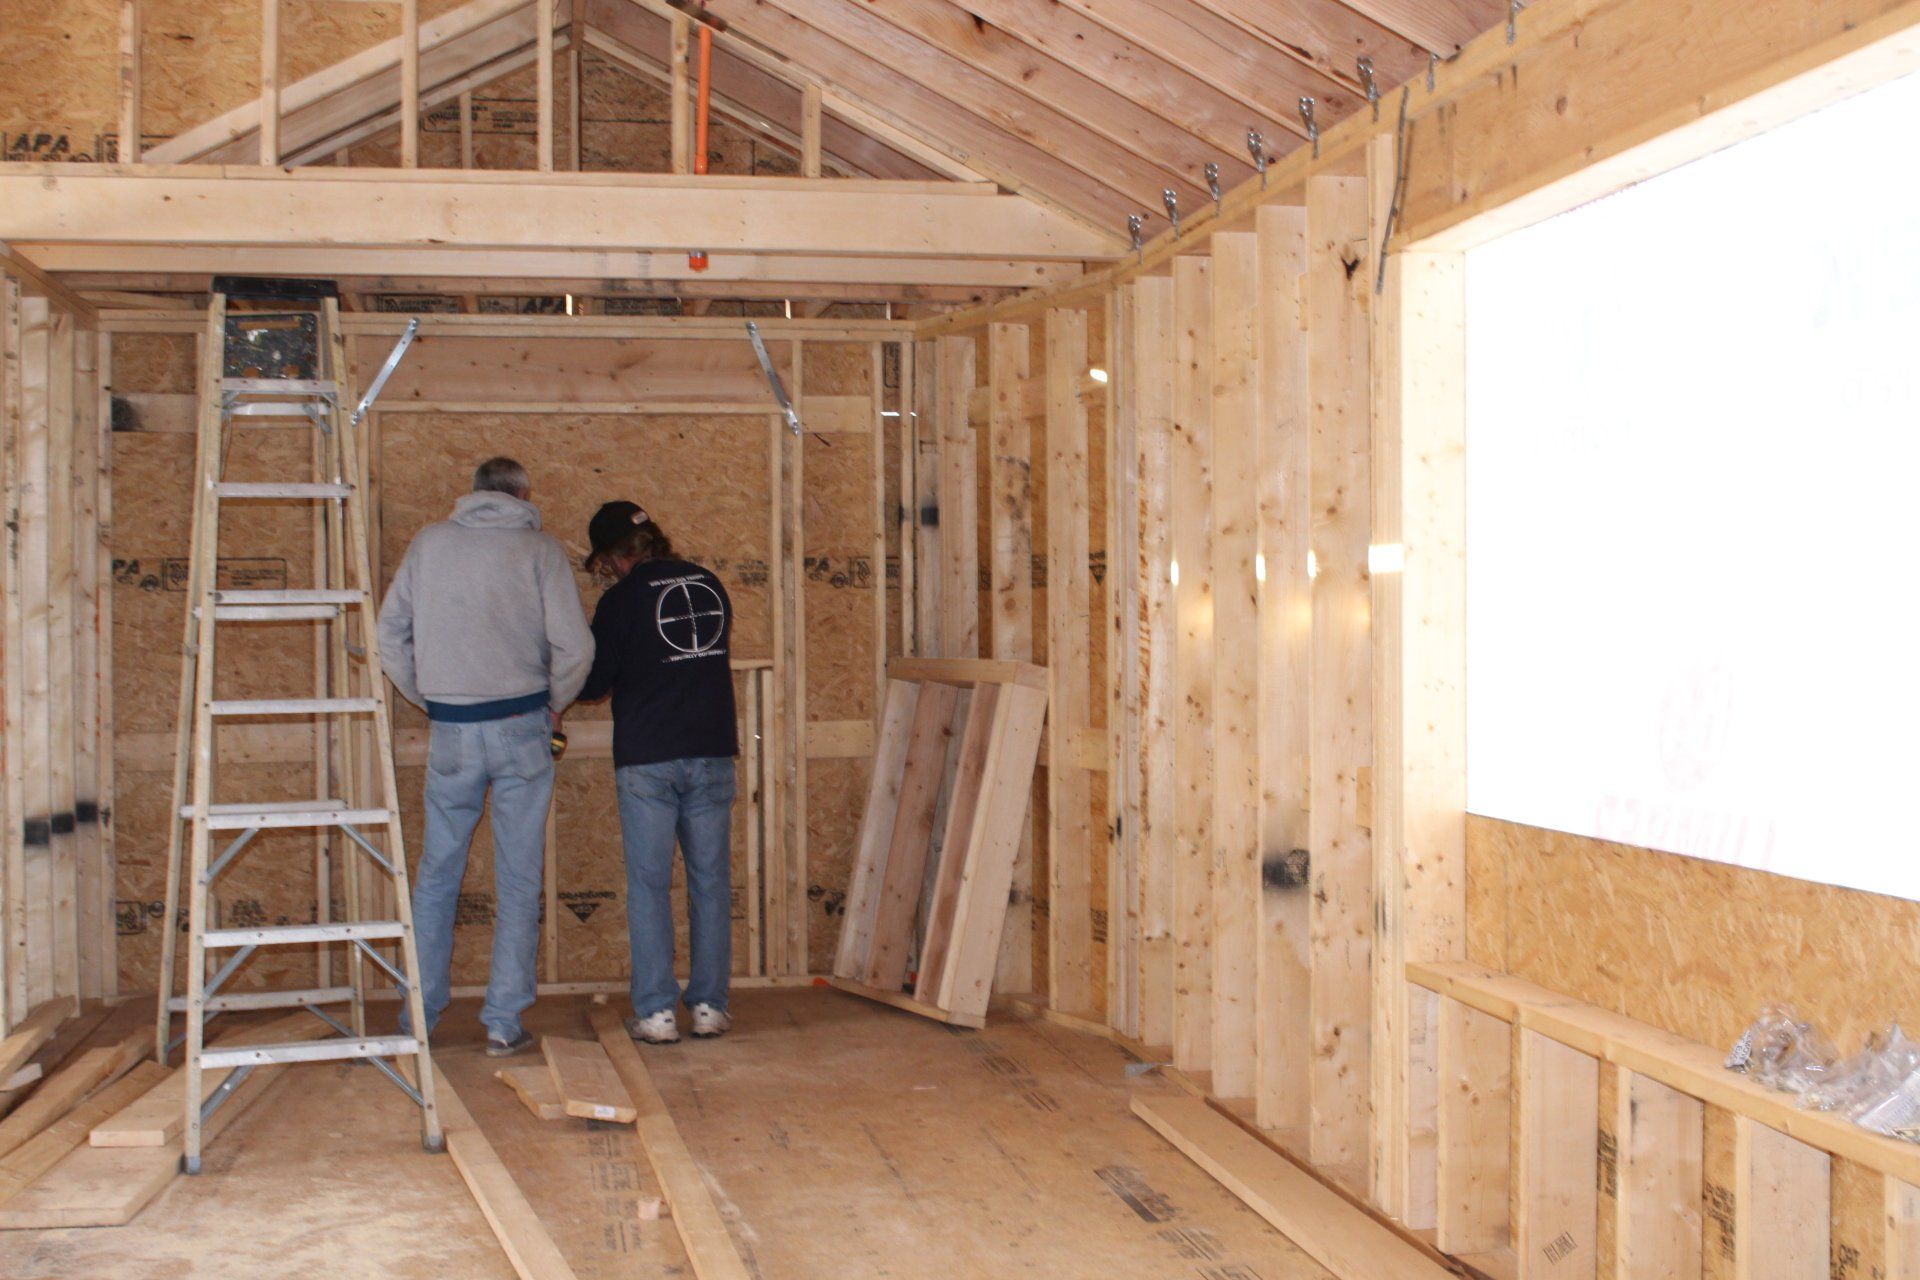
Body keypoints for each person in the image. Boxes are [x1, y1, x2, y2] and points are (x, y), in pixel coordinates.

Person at [377, 457, 593, 1057]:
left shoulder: (429, 543)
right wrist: (554, 704)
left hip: (451, 726)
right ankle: (502, 1022)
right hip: (523, 723)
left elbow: (389, 633)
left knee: (437, 872)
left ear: (472, 494)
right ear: (524, 494)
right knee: (519, 876)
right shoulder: (540, 550)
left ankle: (419, 1014)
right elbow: (576, 646)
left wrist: (429, 696)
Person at [578, 500, 738, 1044]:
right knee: (711, 884)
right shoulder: (709, 584)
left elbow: (595, 684)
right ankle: (711, 1007)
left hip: (648, 758)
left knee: (649, 886)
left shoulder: (619, 602)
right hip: (712, 750)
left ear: (613, 556)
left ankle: (656, 1014)